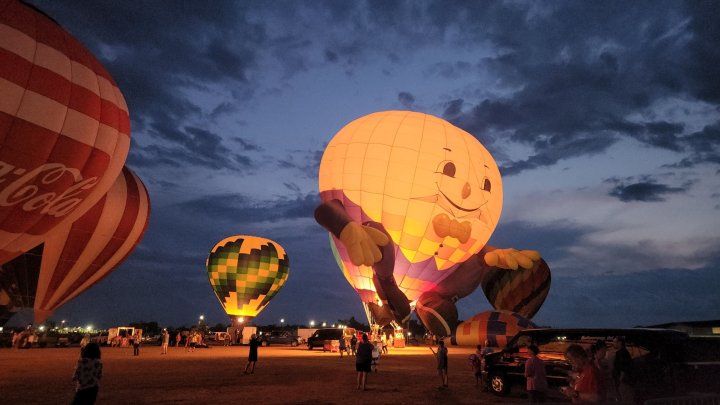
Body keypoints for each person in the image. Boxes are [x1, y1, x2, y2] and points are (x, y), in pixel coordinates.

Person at [612, 336, 634, 403]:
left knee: (625, 400)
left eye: (615, 342)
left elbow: (623, 368)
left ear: (620, 343)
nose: (613, 344)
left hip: (624, 383)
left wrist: (620, 381)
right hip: (623, 382)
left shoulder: (622, 353)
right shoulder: (622, 352)